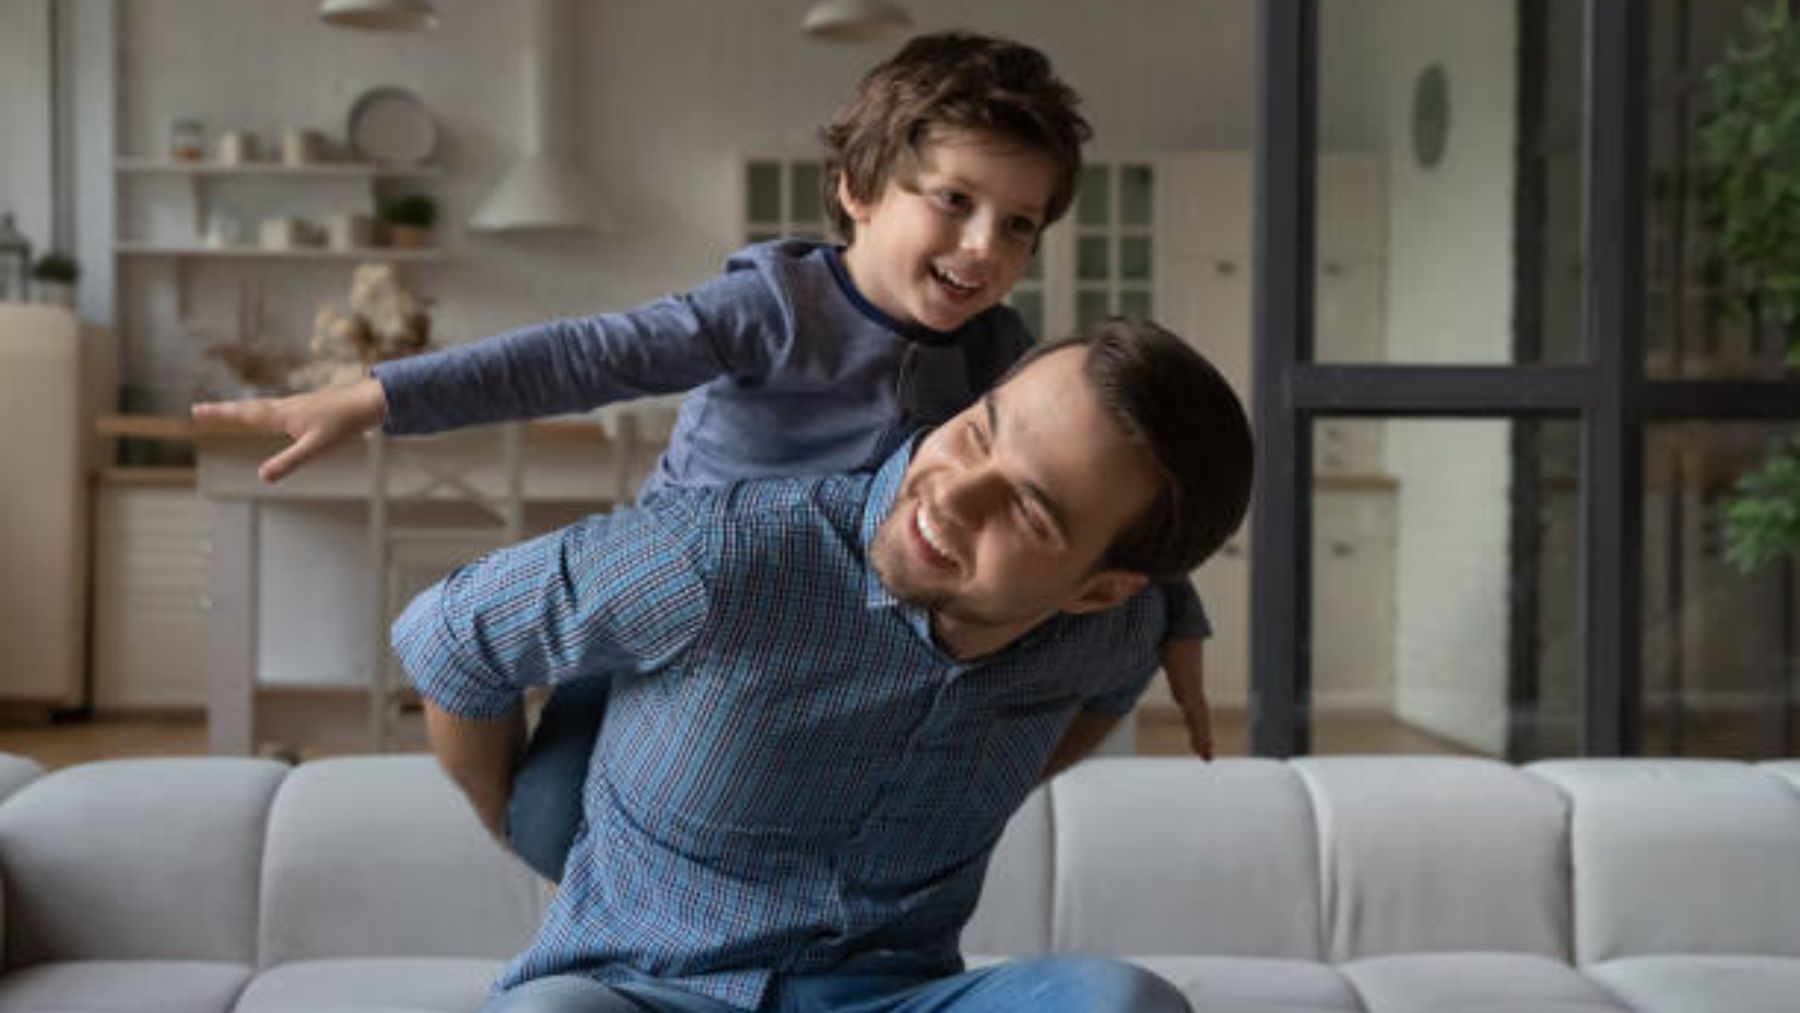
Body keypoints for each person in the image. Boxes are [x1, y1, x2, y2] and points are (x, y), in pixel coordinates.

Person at [191, 31, 1218, 885]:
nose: (987, 245)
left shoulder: (998, 354)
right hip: (670, 617)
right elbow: (582, 356)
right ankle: (613, 895)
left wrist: (1177, 616)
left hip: (821, 647)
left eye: (1020, 224)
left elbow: (1107, 494)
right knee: (553, 826)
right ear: (859, 187)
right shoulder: (776, 308)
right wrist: (378, 394)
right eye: (953, 200)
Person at [399, 318, 1254, 1013]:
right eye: (978, 432)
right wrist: (512, 818)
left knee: (1124, 1001)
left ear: (1098, 590)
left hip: (899, 995)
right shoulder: (719, 557)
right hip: (642, 990)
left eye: (1028, 511)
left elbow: (1110, 684)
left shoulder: (1112, 630)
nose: (952, 493)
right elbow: (452, 633)